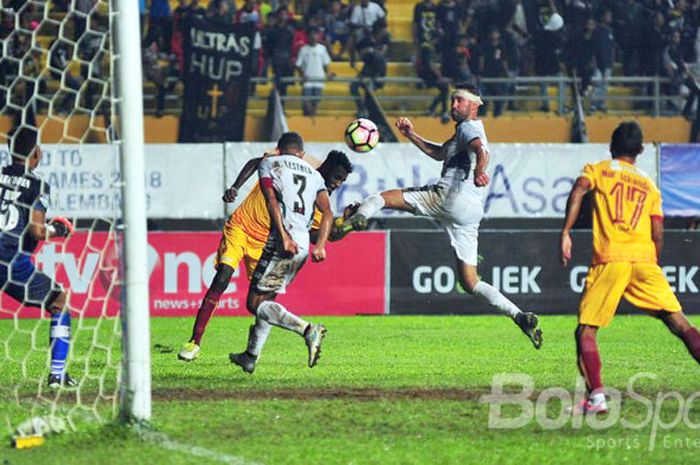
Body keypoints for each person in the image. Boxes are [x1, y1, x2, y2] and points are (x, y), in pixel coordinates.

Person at [337, 82, 543, 349]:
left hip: (448, 195)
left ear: (474, 105)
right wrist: (412, 134)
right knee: (470, 281)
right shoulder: (462, 132)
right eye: (452, 100)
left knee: (380, 198)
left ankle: (357, 220)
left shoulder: (470, 128)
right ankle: (519, 316)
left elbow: (482, 150)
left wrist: (481, 170)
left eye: (459, 101)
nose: (453, 105)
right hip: (470, 210)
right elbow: (439, 154)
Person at [559, 121, 700, 415]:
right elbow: (658, 231)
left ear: (612, 146)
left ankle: (596, 397)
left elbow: (578, 190)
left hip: (612, 258)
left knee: (586, 330)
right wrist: (653, 262)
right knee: (680, 323)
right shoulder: (649, 185)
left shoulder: (599, 169)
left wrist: (566, 232)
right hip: (644, 259)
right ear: (640, 151)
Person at [178, 147, 354, 362]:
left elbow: (316, 234)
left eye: (342, 181)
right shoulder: (292, 167)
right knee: (223, 276)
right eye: (337, 178)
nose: (337, 184)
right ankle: (194, 342)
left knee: (264, 302)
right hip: (242, 227)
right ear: (326, 167)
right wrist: (235, 187)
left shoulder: (319, 198)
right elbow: (257, 162)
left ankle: (252, 355)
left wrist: (344, 224)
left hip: (268, 242)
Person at [229, 132, 334, 373]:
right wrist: (320, 245)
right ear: (301, 152)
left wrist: (283, 236)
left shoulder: (270, 163)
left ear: (279, 148)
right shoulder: (315, 175)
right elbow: (327, 213)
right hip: (304, 244)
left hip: (282, 242)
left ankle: (308, 330)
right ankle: (250, 356)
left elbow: (271, 201)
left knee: (254, 303)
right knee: (269, 299)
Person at [1, 127, 75, 387]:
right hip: (9, 260)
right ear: (36, 154)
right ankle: (57, 374)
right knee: (60, 302)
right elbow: (36, 230)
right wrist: (59, 229)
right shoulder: (36, 184)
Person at [295, 26, 334, 117]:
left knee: (315, 104)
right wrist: (302, 75)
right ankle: (306, 120)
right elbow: (298, 65)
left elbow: (325, 63)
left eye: (315, 34)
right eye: (311, 34)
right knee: (306, 103)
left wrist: (328, 73)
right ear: (307, 36)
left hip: (319, 80)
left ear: (318, 36)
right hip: (307, 81)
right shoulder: (303, 49)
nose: (313, 36)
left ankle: (313, 122)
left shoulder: (322, 48)